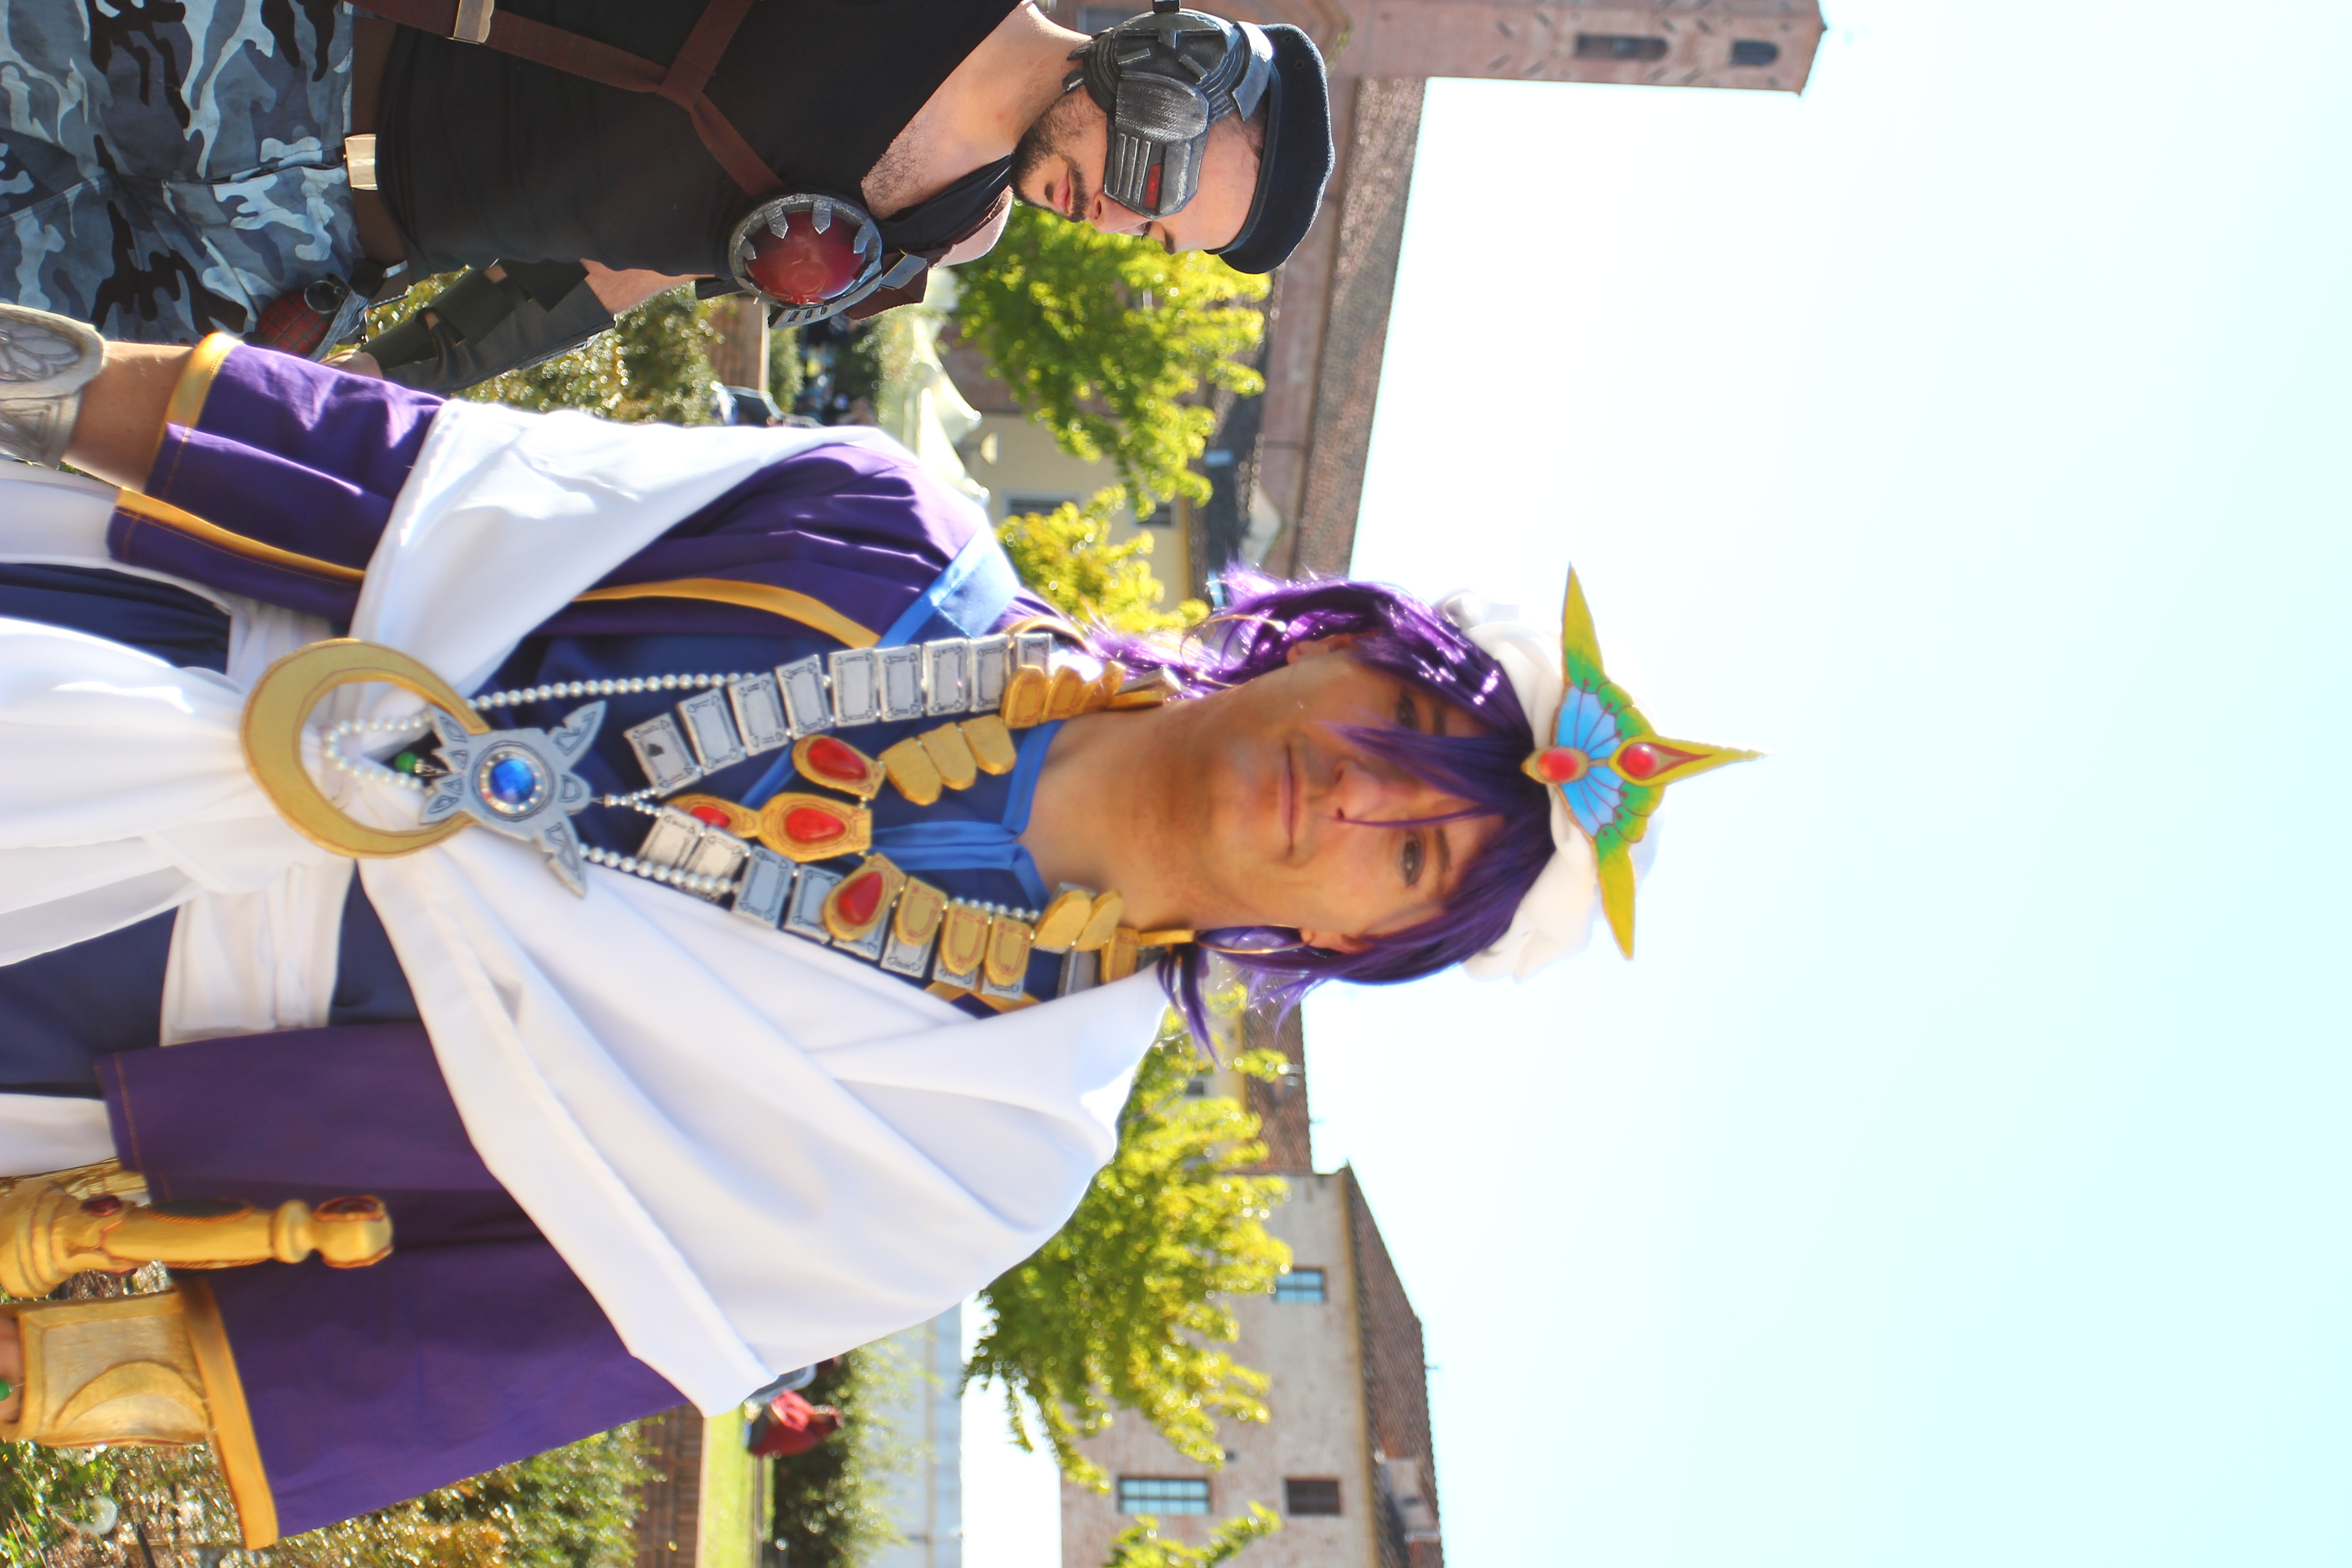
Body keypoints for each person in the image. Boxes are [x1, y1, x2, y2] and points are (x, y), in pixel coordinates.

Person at [0, 304, 1752, 1543]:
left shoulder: (1001, 1150)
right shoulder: (886, 525)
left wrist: (66, 1367)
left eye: (1420, 862)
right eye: (1410, 731)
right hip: (100, 653)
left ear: (1364, 950)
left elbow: (571, 1326)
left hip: (122, 1034)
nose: (1362, 800)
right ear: (1338, 641)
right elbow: (401, 474)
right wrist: (38, 382)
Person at [0, 0, 1333, 391]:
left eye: (1154, 234)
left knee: (34, 403)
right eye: (1153, 180)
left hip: (300, 257)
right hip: (270, 49)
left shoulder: (942, 234)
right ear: (1165, 71)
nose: (1117, 219)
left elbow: (620, 270)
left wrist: (389, 382)